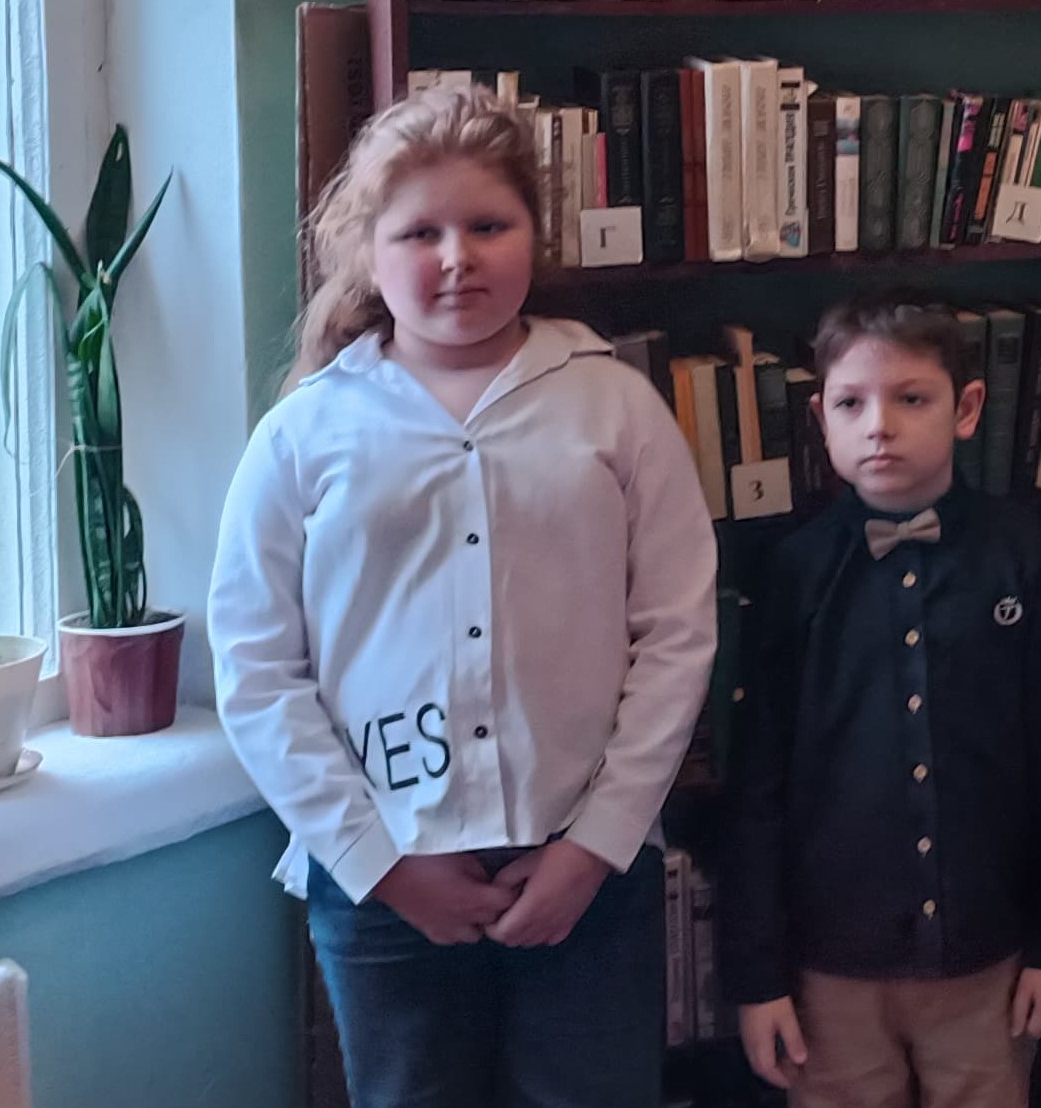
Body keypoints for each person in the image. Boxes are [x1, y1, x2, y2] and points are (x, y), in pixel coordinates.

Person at [211, 85, 719, 1108]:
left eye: (489, 225)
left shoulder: (613, 404)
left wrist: (592, 848)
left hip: (587, 872)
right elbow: (256, 669)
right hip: (381, 878)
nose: (458, 257)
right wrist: (381, 866)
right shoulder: (305, 433)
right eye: (421, 233)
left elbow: (677, 632)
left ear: (535, 232)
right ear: (368, 252)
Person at [722, 295, 1041, 1108]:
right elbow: (757, 786)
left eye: (911, 398)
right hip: (831, 972)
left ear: (967, 409)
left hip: (989, 961)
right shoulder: (794, 574)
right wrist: (757, 977)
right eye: (851, 405)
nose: (879, 427)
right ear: (821, 420)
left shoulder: (1021, 560)